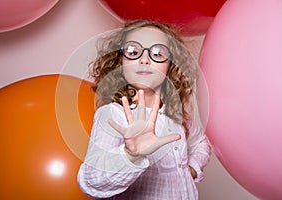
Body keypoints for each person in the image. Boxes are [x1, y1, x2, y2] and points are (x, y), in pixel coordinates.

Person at [77, 19, 211, 200]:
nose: (144, 59)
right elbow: (91, 181)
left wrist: (192, 169)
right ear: (120, 61)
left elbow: (201, 142)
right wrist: (130, 155)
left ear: (171, 64)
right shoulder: (114, 115)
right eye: (133, 52)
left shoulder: (176, 116)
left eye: (157, 53)